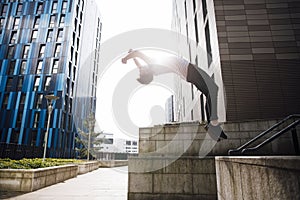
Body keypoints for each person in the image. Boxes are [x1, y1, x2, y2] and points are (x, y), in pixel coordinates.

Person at [121, 49, 228, 141]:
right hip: (190, 70)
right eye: (141, 72)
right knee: (213, 89)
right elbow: (138, 53)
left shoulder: (153, 70)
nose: (140, 69)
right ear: (146, 73)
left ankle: (213, 126)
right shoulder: (151, 63)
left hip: (188, 74)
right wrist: (126, 58)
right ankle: (213, 124)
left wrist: (131, 56)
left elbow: (138, 62)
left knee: (209, 92)